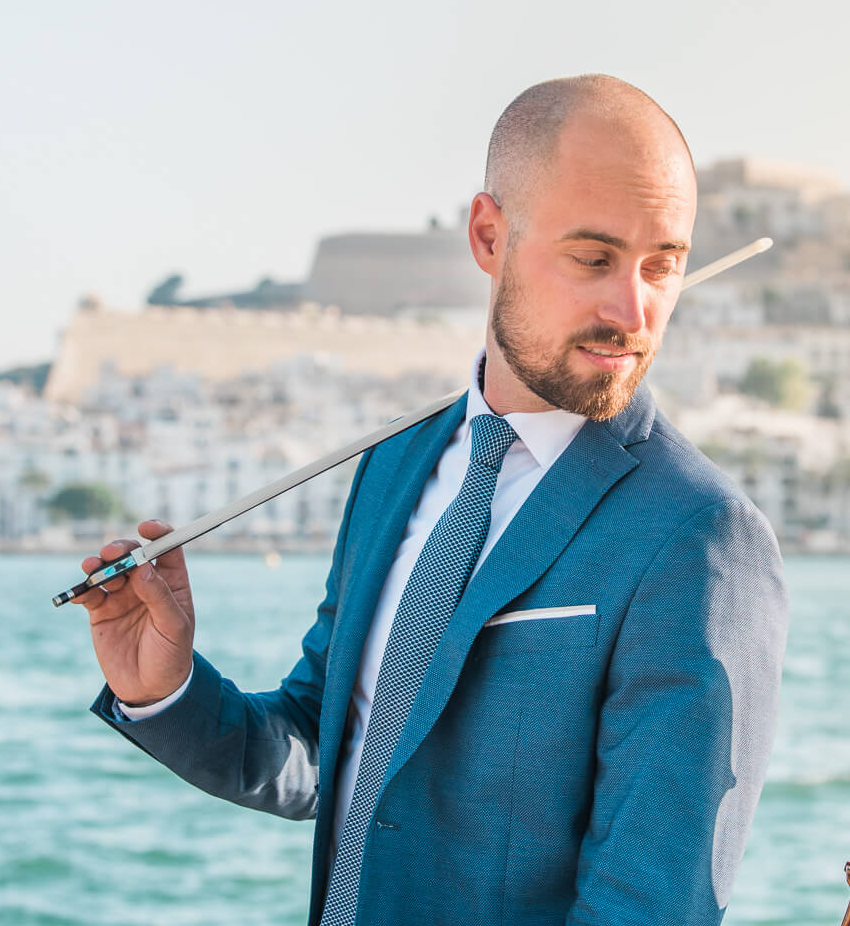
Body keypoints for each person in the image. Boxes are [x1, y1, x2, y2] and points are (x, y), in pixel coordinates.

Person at [77, 74, 789, 925]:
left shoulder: (699, 538)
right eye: (594, 258)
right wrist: (168, 688)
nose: (631, 308)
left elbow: (649, 906)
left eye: (662, 265)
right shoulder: (394, 466)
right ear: (489, 235)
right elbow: (331, 751)